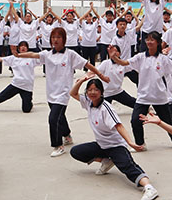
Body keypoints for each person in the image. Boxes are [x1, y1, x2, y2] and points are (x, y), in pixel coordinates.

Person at [16, 27, 108, 157]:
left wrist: (100, 74)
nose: (55, 40)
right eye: (53, 37)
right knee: (60, 117)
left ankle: (58, 145)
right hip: (50, 92)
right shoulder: (47, 54)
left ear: (64, 39)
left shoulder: (70, 54)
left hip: (64, 93)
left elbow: (86, 64)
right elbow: (32, 55)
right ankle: (67, 135)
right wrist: (18, 54)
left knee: (53, 119)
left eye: (58, 37)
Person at [69, 75, 159, 200]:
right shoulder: (88, 103)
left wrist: (130, 143)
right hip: (101, 145)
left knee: (127, 167)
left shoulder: (106, 108)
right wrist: (82, 81)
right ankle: (106, 160)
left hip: (116, 146)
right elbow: (73, 93)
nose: (92, 92)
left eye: (96, 90)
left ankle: (149, 187)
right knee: (76, 151)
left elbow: (119, 126)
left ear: (101, 92)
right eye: (89, 90)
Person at [110, 31, 172, 149]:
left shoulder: (163, 59)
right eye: (147, 39)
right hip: (143, 96)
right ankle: (140, 143)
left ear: (158, 43)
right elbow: (124, 62)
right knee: (135, 121)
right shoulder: (140, 57)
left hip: (159, 96)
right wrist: (114, 57)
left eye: (152, 40)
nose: (149, 42)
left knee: (167, 121)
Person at [0, 41, 40, 113]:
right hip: (16, 84)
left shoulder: (31, 58)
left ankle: (29, 103)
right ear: (18, 48)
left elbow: (42, 58)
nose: (23, 47)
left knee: (26, 109)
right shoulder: (13, 58)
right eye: (21, 46)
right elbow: (1, 59)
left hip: (27, 86)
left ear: (27, 48)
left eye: (25, 46)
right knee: (1, 97)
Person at [94, 44, 137, 109]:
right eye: (112, 51)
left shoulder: (123, 64)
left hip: (118, 91)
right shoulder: (106, 63)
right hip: (106, 93)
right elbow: (96, 70)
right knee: (101, 110)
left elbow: (134, 66)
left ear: (119, 53)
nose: (114, 53)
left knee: (135, 104)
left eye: (116, 51)